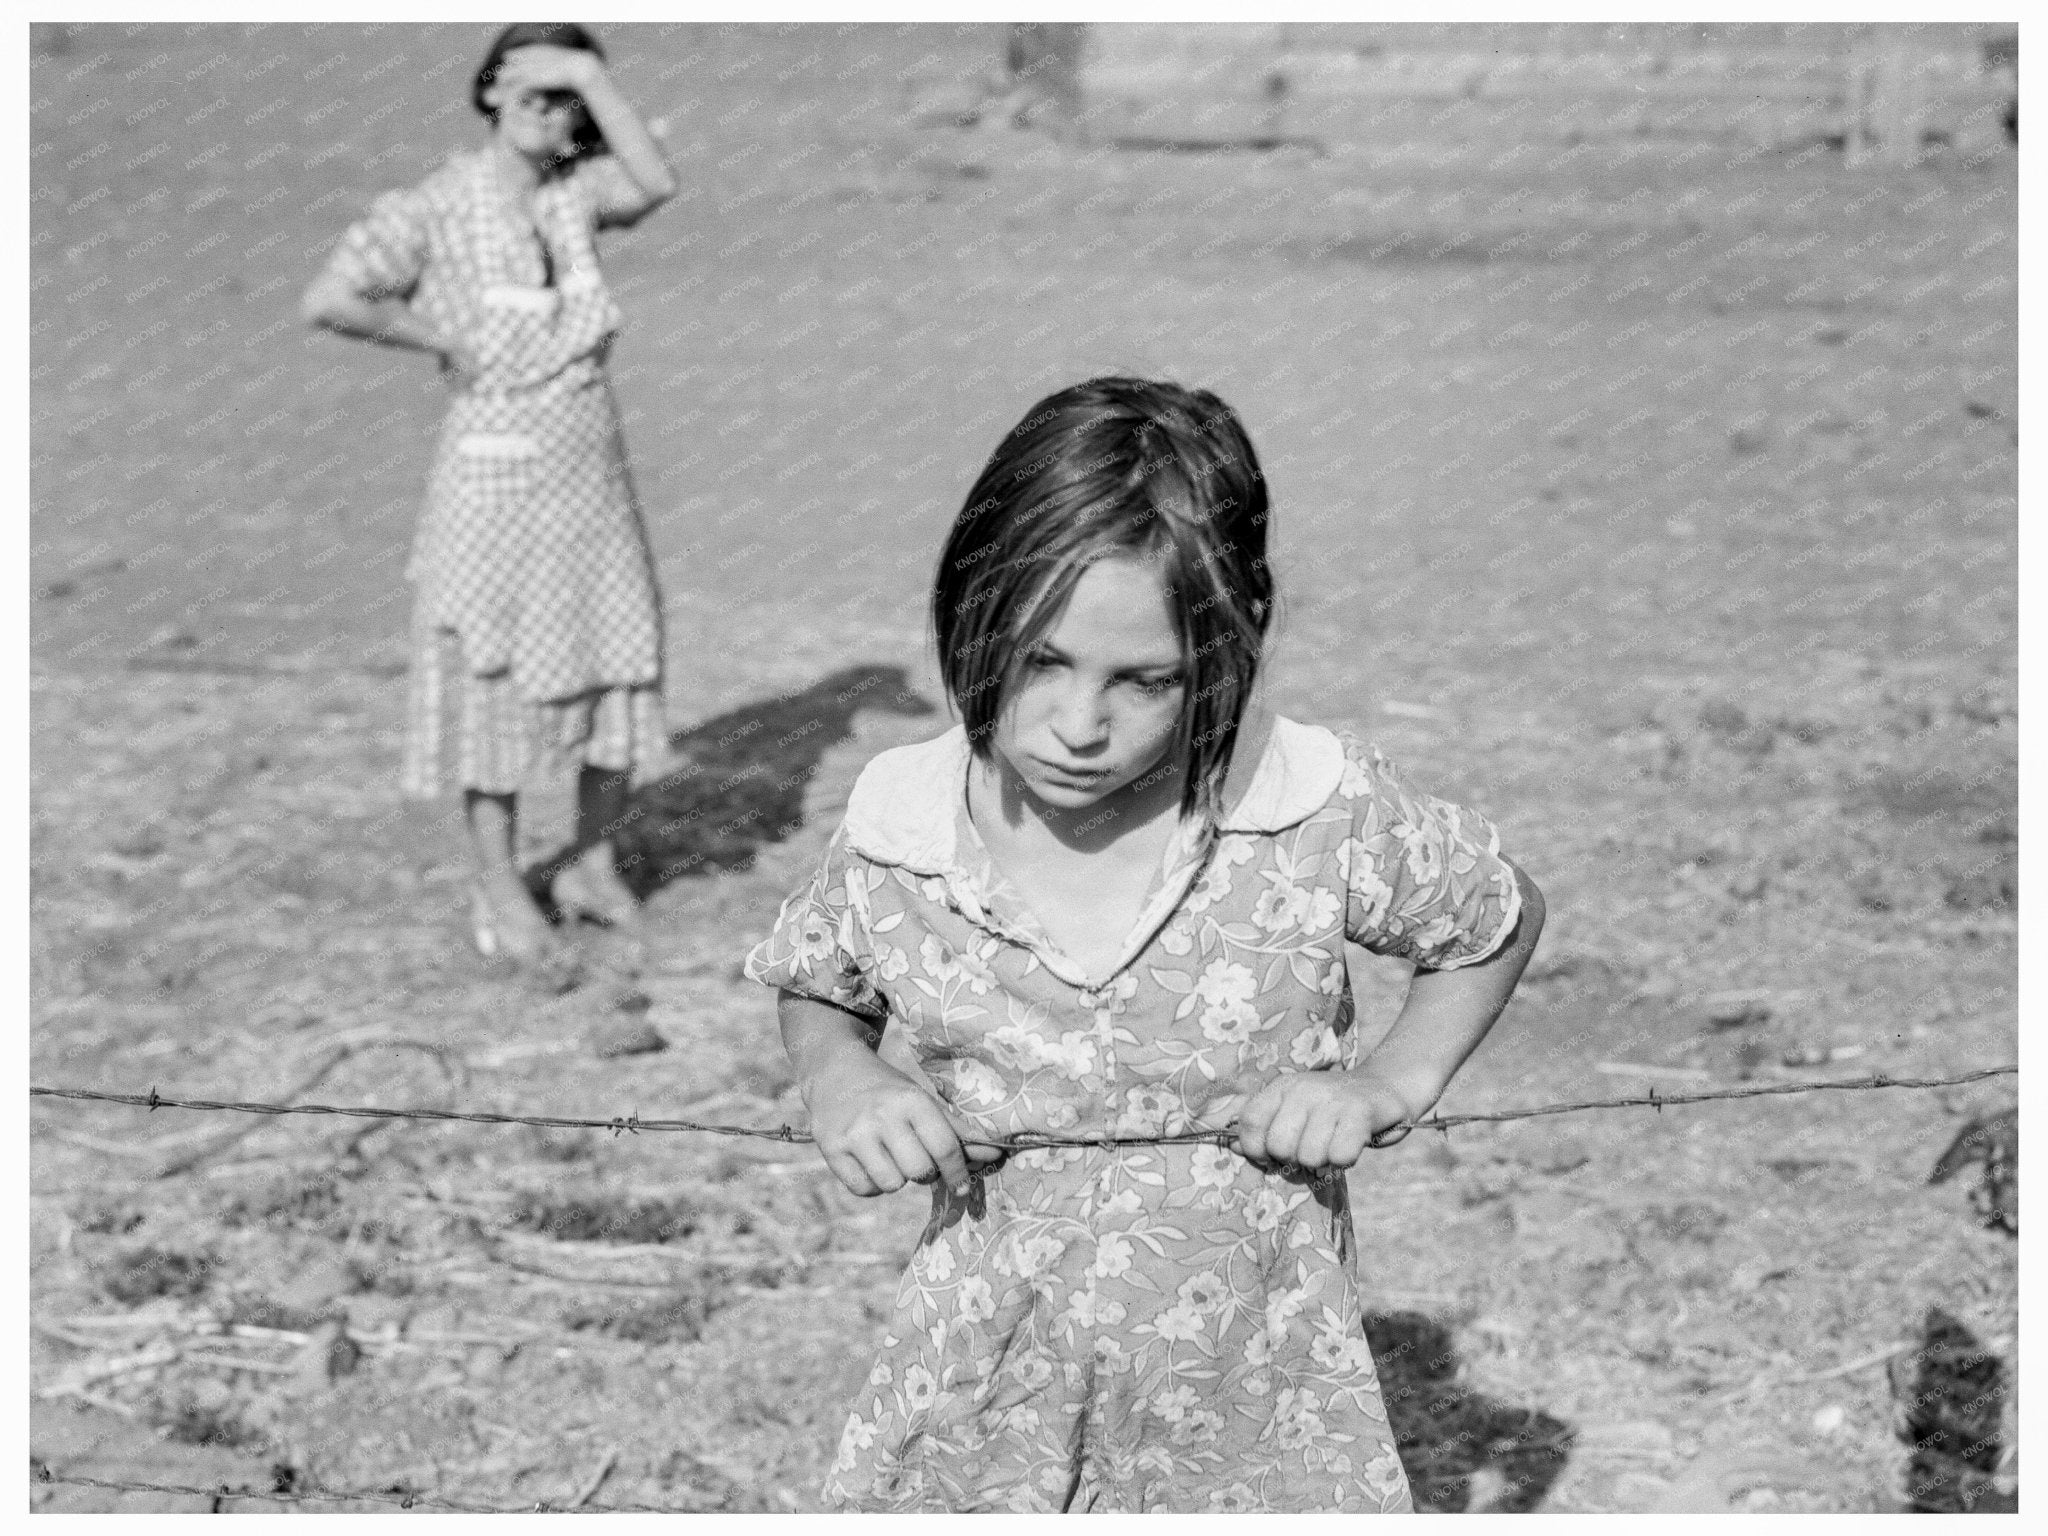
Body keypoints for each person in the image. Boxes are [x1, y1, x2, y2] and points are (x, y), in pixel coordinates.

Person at [745, 377, 1546, 1512]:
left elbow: (1493, 914)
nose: (1079, 725)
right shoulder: (906, 826)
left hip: (1252, 1396)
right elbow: (815, 981)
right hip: (990, 1390)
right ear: (970, 613)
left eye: (1143, 681)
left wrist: (1389, 1081)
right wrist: (837, 1076)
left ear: (1222, 651)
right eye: (1038, 661)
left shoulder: (1301, 808)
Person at [301, 23, 676, 977]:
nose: (554, 118)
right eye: (536, 97)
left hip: (588, 465)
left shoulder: (576, 197)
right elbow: (335, 298)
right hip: (491, 475)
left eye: (569, 104)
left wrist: (591, 74)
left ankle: (591, 863)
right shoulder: (434, 205)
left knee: (612, 653)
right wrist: (440, 338)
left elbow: (656, 182)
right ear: (491, 98)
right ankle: (499, 882)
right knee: (494, 682)